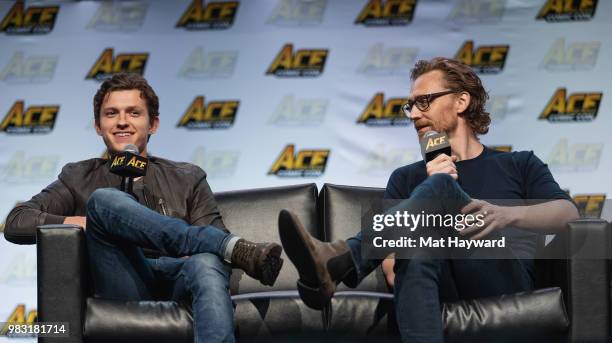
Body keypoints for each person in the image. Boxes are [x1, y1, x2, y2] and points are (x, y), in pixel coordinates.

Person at [278, 57, 579, 342]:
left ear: (461, 101)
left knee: (440, 188)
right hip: (435, 282)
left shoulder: (519, 164)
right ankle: (341, 262)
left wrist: (506, 215)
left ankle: (342, 261)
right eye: (409, 106)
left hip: (503, 277)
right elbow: (392, 270)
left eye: (424, 101)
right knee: (419, 246)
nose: (414, 114)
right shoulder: (405, 178)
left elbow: (568, 214)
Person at [4, 73, 283, 343]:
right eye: (111, 113)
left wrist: (196, 252)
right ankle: (232, 245)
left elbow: (211, 244)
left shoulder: (187, 177)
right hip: (118, 278)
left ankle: (223, 247)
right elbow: (17, 221)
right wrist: (81, 222)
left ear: (153, 125)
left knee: (208, 262)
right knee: (102, 200)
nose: (122, 122)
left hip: (178, 277)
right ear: (98, 126)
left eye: (134, 113)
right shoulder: (78, 176)